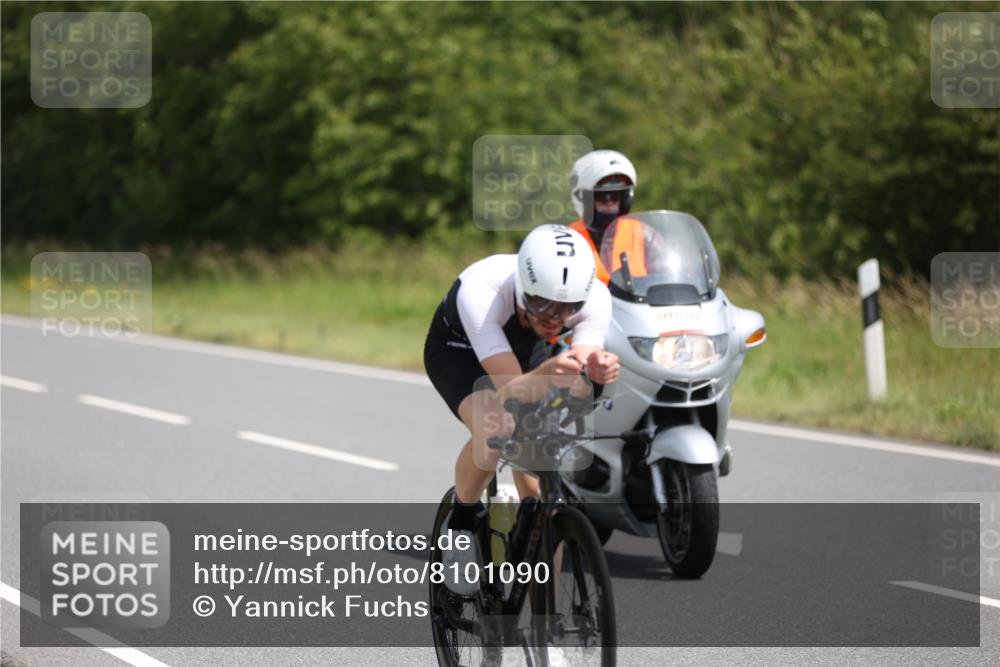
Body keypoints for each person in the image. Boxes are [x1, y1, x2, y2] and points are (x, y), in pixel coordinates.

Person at [423, 224, 621, 594]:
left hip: (524, 347)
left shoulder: (593, 298)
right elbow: (511, 392)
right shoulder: (482, 291)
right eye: (543, 305)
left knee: (543, 485)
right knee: (498, 427)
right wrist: (549, 372)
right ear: (523, 287)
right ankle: (460, 526)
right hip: (458, 350)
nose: (554, 318)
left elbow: (577, 384)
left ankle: (551, 631)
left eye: (567, 310)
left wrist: (596, 374)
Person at [568, 149, 646, 284]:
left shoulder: (643, 234)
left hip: (636, 304)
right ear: (583, 198)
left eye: (618, 195)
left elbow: (667, 272)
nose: (610, 202)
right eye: (602, 196)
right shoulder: (569, 239)